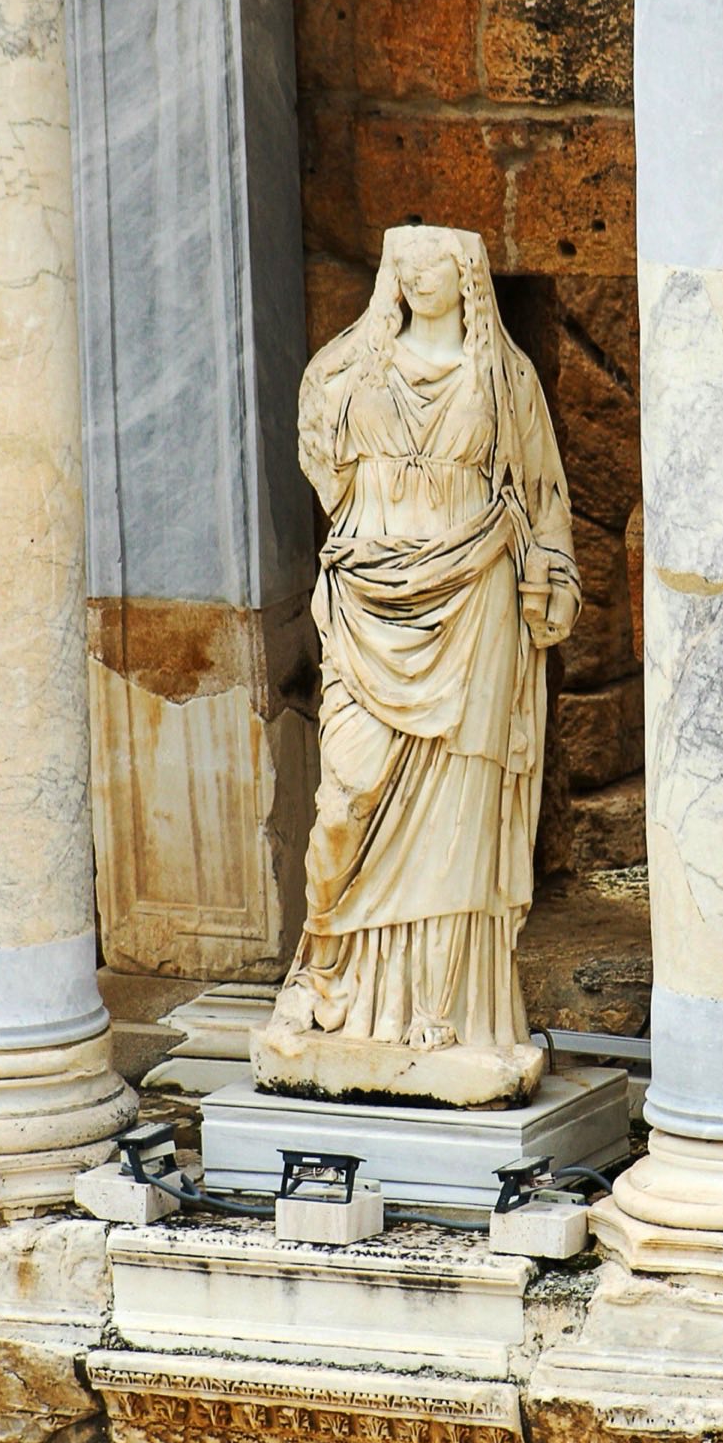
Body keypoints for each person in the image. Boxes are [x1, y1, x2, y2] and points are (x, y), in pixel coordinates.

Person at [258, 224, 579, 1107]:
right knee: (343, 802)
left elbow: (545, 502)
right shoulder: (341, 372)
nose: (416, 272)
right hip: (369, 609)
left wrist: (553, 582)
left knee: (455, 816)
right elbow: (324, 473)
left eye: (436, 260)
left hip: (474, 605)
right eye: (403, 259)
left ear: (469, 274)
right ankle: (324, 971)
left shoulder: (504, 381)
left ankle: (444, 1011)